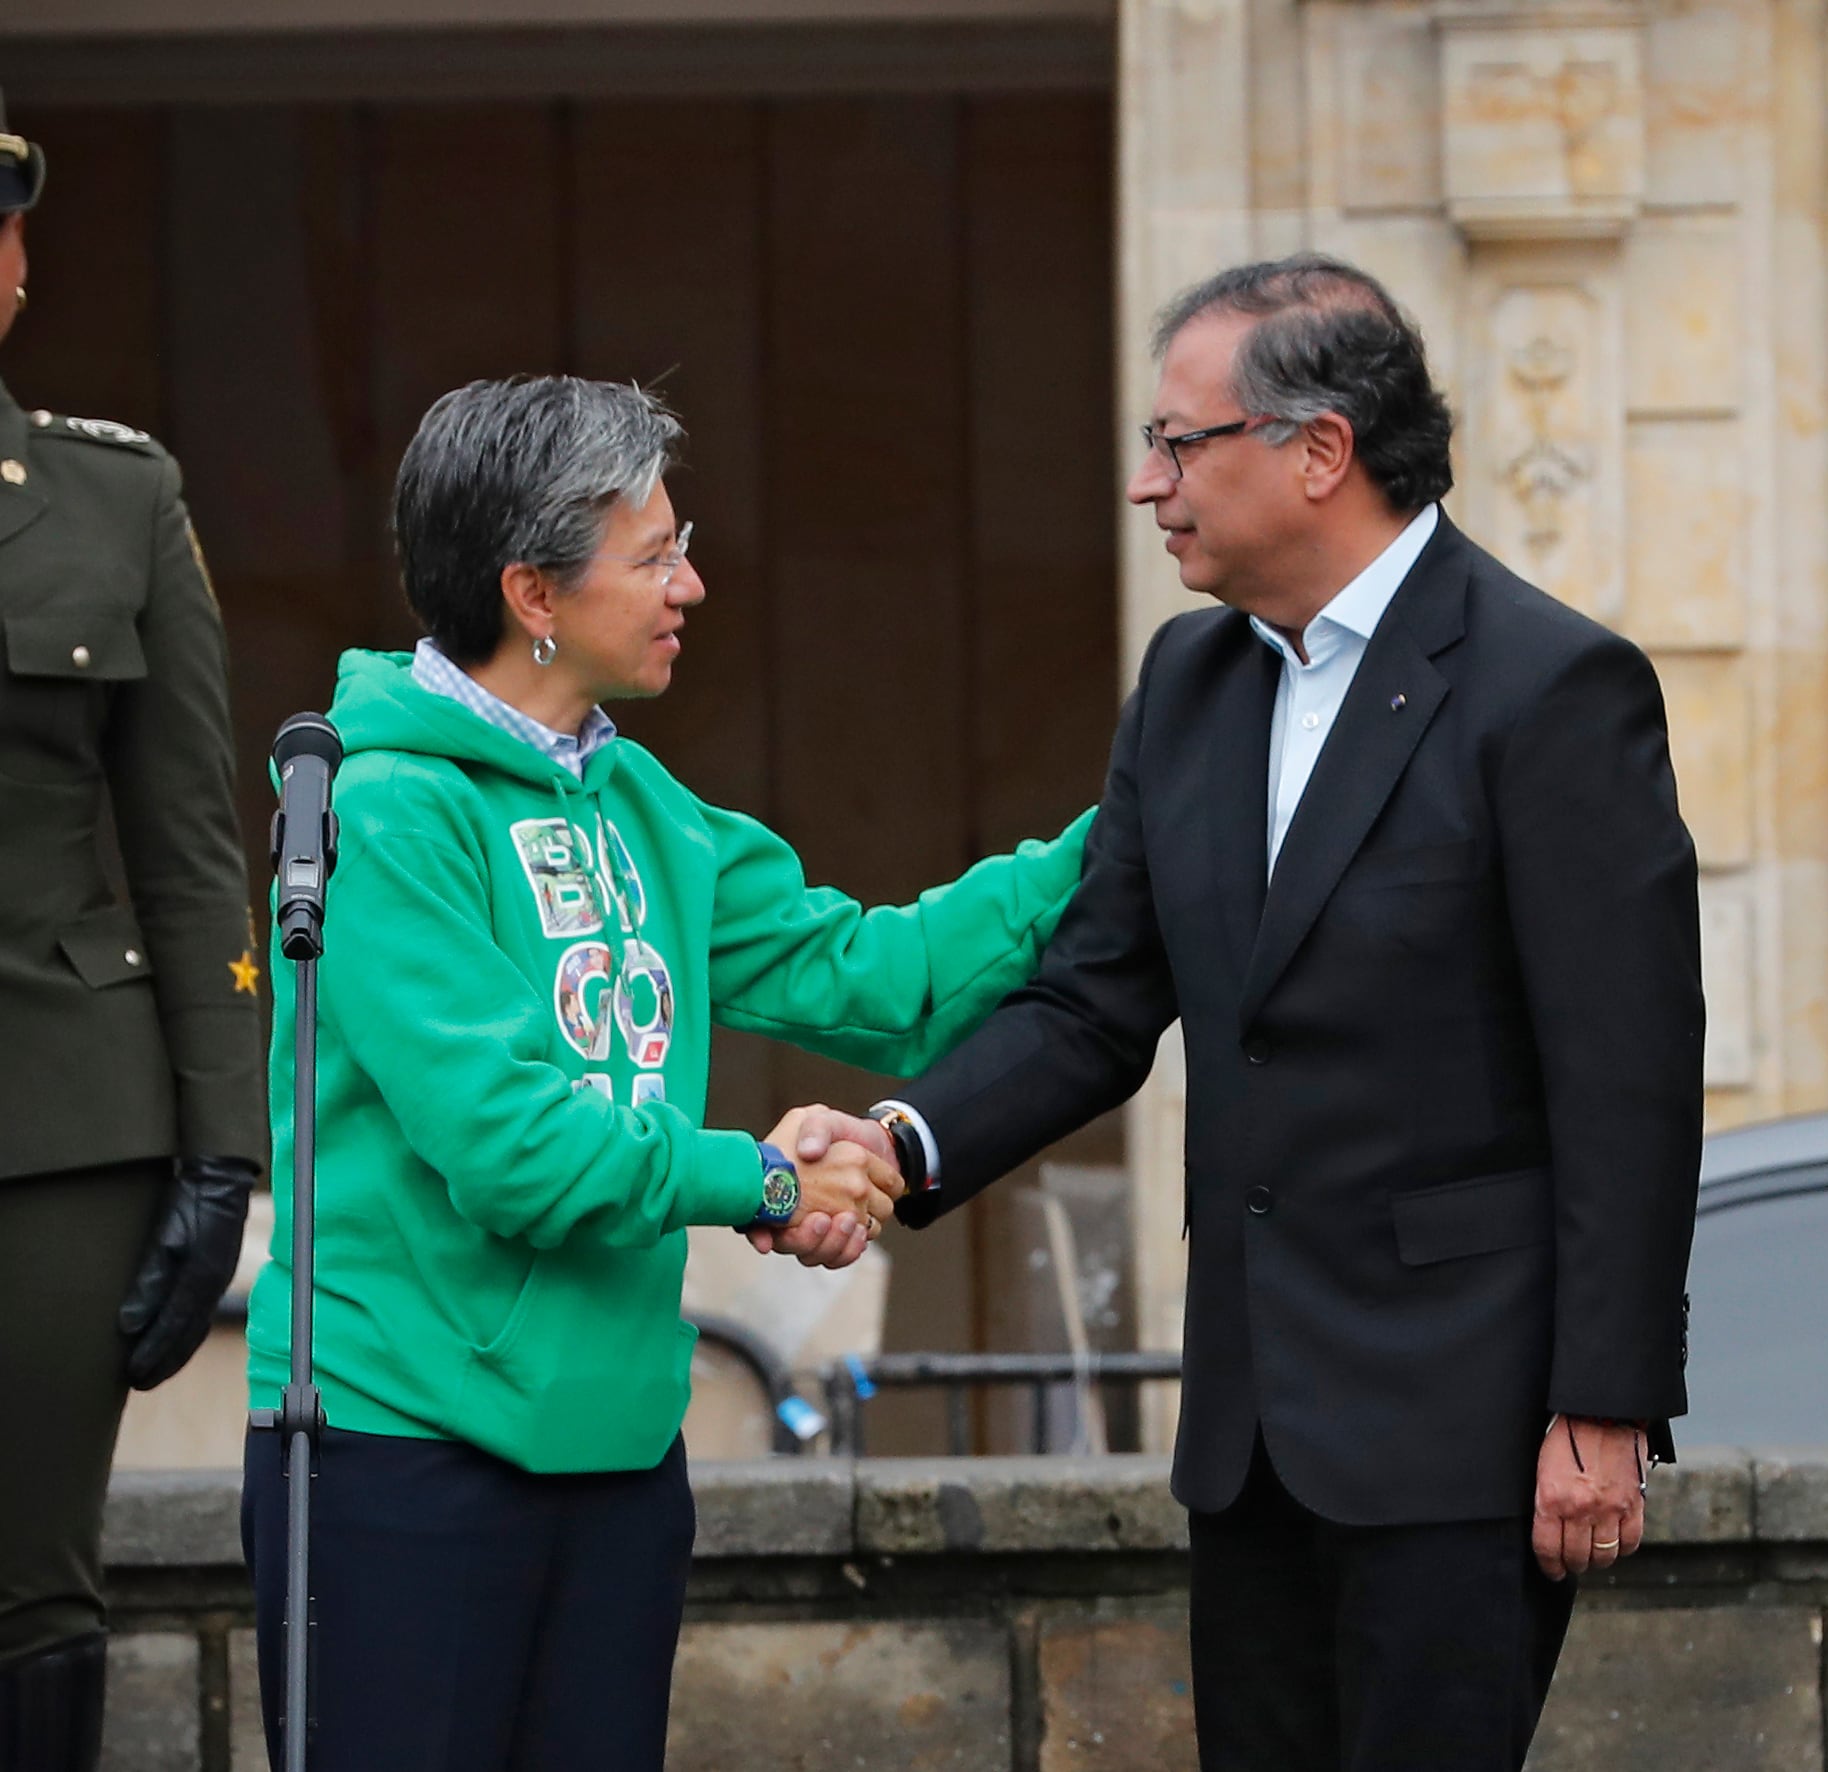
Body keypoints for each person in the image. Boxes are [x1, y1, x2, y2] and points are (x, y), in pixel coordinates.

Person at [867, 255, 1705, 1771]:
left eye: (1180, 444)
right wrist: (900, 1144)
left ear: (1318, 452)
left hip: (1465, 1428)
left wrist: (1604, 1406)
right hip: (1253, 1438)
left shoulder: (1550, 687)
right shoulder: (1186, 683)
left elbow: (1629, 1084)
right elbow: (1092, 1000)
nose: (1147, 485)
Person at [237, 375, 1092, 1771]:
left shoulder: (648, 805)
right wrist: (759, 1178)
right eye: (655, 554)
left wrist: (1133, 828)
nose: (692, 583)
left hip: (622, 1458)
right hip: (398, 1455)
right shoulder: (380, 809)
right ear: (534, 591)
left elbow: (886, 982)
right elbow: (515, 1147)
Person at [0, 93, 268, 1767]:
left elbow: (188, 854)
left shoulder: (111, 500)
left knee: (29, 1589)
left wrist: (218, 1153)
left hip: (53, 1127)